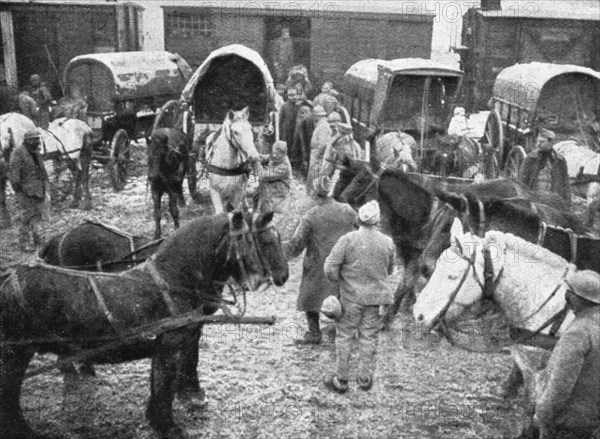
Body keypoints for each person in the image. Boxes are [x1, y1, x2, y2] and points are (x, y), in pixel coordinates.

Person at [323, 200, 397, 393]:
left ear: (359, 219)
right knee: (368, 337)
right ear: (377, 221)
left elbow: (330, 267)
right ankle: (364, 379)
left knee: (345, 336)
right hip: (376, 299)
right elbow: (390, 270)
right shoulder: (388, 242)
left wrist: (339, 280)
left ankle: (342, 379)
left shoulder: (346, 240)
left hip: (350, 298)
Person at [285, 176, 357, 345]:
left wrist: (282, 253)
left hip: (317, 266)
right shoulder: (348, 211)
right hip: (343, 265)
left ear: (314, 194)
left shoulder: (310, 216)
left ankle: (314, 333)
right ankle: (343, 331)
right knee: (344, 296)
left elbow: (297, 244)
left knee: (310, 297)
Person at [534, 269, 600, 439]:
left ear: (573, 298)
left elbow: (560, 385)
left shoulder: (578, 332)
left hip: (571, 423)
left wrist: (542, 415)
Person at [8, 129, 48, 252]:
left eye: (38, 139)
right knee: (25, 217)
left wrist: (45, 186)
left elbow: (42, 170)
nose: (38, 142)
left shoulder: (35, 152)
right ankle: (24, 243)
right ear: (29, 140)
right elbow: (14, 174)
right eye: (36, 139)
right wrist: (19, 191)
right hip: (25, 192)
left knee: (37, 216)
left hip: (38, 190)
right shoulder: (18, 153)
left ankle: (38, 241)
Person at [520, 127, 571, 207]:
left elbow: (565, 182)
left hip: (553, 202)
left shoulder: (560, 160)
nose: (538, 144)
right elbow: (522, 181)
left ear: (550, 143)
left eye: (542, 142)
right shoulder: (531, 158)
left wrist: (568, 202)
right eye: (537, 141)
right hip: (534, 200)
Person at [321, 122, 364, 199]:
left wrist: (339, 167)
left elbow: (353, 167)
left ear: (342, 133)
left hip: (347, 178)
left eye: (337, 132)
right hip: (347, 176)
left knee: (337, 197)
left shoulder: (346, 146)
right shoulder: (353, 144)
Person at [255, 140, 293, 214]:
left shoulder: (284, 167)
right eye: (274, 152)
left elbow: (263, 176)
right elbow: (267, 157)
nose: (274, 155)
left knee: (266, 212)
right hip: (271, 187)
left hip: (279, 193)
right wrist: (257, 155)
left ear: (284, 154)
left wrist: (255, 163)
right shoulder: (276, 157)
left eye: (277, 153)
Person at [306, 105, 331, 197]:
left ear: (317, 116)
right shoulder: (321, 124)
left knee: (314, 177)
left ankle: (312, 197)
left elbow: (323, 143)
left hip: (318, 157)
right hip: (316, 155)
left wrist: (317, 155)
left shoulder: (323, 126)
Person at [290, 100, 314, 176]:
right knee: (303, 148)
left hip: (301, 131)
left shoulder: (302, 109)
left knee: (300, 147)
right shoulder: (307, 110)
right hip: (302, 131)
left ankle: (299, 166)